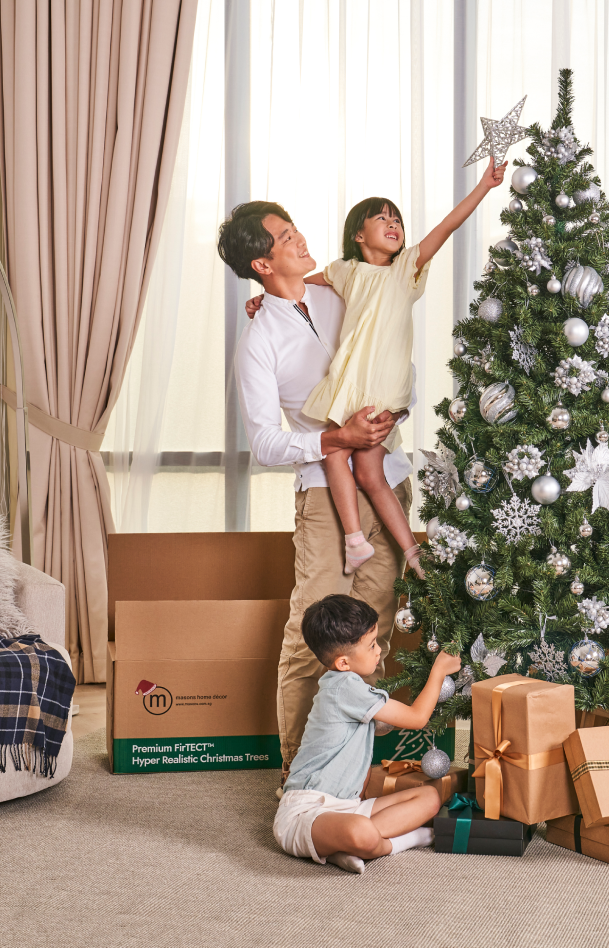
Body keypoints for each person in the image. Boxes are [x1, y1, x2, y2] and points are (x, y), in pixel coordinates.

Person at [218, 200, 413, 790]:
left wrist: (389, 413)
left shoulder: (340, 291)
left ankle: (371, 771)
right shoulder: (258, 340)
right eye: (284, 235)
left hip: (387, 480)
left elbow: (393, 337)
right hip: (324, 494)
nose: (299, 236)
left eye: (294, 225)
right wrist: (334, 437)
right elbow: (267, 444)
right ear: (261, 262)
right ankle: (301, 777)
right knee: (315, 632)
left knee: (378, 627)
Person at [246, 157, 506, 578]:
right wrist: (264, 300)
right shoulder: (345, 273)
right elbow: (301, 284)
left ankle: (377, 545)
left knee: (346, 458)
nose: (393, 223)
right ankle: (387, 547)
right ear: (358, 235)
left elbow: (445, 228)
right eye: (381, 217)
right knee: (349, 460)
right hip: (351, 386)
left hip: (380, 387)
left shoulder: (405, 270)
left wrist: (483, 188)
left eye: (396, 219)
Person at [272, 594, 461, 874]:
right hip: (306, 812)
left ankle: (346, 847)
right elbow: (416, 719)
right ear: (343, 663)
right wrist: (438, 672)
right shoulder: (345, 687)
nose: (379, 651)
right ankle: (393, 844)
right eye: (371, 645)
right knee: (360, 830)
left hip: (349, 807)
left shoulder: (345, 684)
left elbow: (384, 724)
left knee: (430, 799)